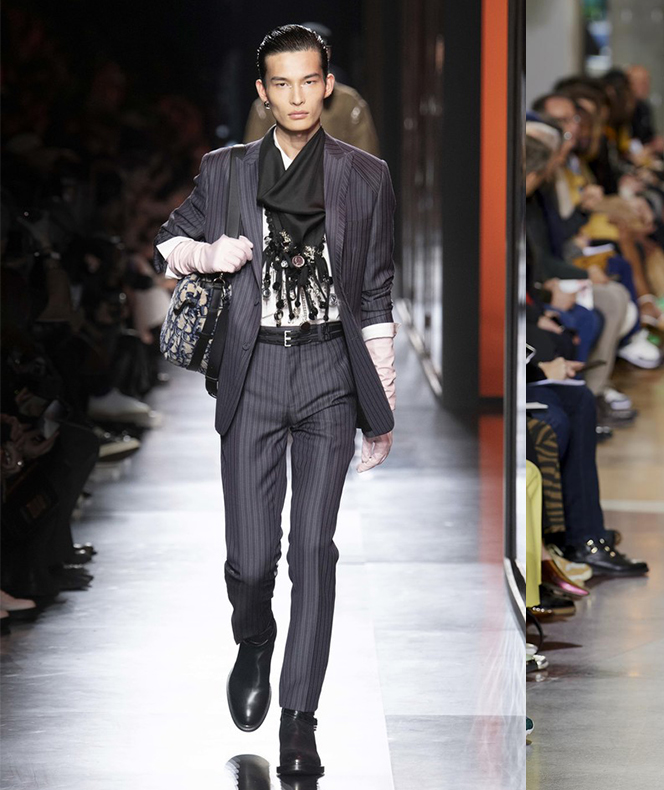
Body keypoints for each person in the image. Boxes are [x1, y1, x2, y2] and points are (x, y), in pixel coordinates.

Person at [153, 25, 398, 778]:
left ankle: (300, 719)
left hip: (329, 371)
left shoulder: (365, 176)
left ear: (328, 85)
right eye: (281, 84)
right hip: (252, 369)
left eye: (309, 81)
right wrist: (208, 254)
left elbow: (376, 293)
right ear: (263, 92)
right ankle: (254, 637)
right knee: (252, 559)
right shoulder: (225, 169)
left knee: (314, 551)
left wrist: (381, 403)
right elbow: (167, 246)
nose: (297, 97)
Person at [242, 23, 379, 157]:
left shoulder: (349, 102)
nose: (297, 99)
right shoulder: (264, 105)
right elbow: (251, 160)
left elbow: (366, 161)